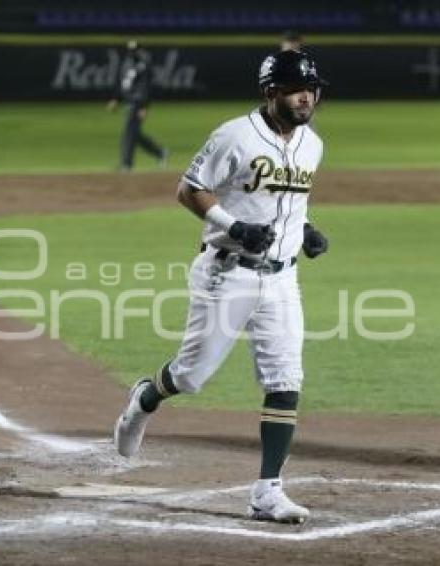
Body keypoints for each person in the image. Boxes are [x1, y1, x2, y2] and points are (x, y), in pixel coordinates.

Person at [114, 50, 330, 524]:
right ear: (270, 91)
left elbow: (289, 200)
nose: (307, 97)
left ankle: (267, 491)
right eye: (297, 88)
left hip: (282, 279)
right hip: (226, 272)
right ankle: (145, 398)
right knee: (191, 376)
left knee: (285, 378)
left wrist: (306, 229)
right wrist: (232, 226)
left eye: (312, 89)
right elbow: (189, 188)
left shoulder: (312, 144)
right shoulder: (233, 136)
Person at [107, 39, 168, 171]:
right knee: (134, 134)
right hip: (129, 101)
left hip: (138, 102)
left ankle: (126, 164)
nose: (132, 53)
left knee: (128, 133)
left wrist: (144, 107)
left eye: (134, 51)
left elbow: (146, 87)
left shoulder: (144, 65)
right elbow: (123, 84)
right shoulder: (126, 64)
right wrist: (116, 99)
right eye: (130, 51)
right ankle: (160, 152)